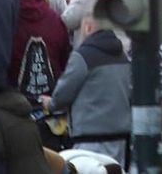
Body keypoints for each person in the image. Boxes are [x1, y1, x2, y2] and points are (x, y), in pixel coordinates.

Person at [47, 17, 132, 161]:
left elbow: (63, 95)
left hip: (89, 139)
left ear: (88, 27)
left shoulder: (83, 56)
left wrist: (50, 104)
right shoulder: (122, 57)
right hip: (120, 139)